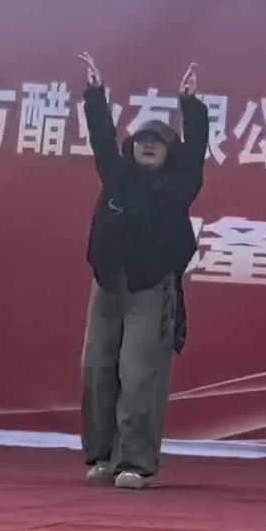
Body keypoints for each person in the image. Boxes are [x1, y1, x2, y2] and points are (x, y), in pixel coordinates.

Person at [79, 53, 208, 490]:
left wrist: (190, 105)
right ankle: (101, 456)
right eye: (141, 141)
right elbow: (101, 137)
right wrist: (95, 94)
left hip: (151, 290)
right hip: (107, 285)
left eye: (157, 142)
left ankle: (135, 461)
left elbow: (197, 149)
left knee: (138, 374)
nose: (148, 146)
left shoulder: (180, 185)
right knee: (97, 370)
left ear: (170, 152)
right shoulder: (116, 177)